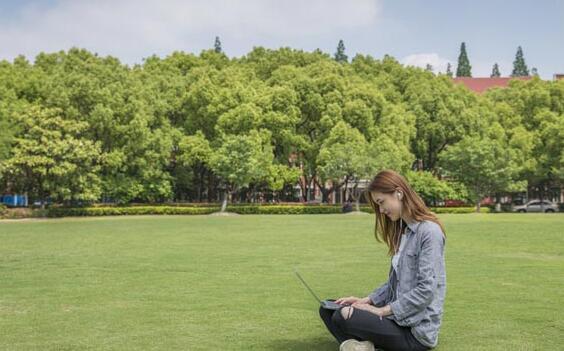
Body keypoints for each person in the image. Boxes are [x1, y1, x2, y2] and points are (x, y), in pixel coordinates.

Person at [319, 169, 447, 351]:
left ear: (399, 193)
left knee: (344, 315)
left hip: (415, 332)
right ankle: (366, 346)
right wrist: (367, 301)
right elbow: (395, 282)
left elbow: (426, 290)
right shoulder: (403, 232)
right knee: (329, 309)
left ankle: (365, 345)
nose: (380, 210)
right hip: (396, 320)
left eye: (381, 202)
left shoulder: (429, 233)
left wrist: (381, 311)